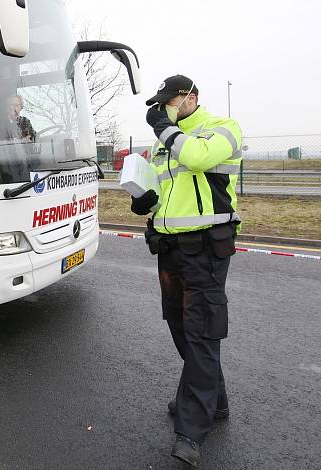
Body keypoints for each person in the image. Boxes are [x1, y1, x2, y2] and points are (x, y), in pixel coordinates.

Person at [131, 75, 242, 467]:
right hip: (171, 250)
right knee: (181, 327)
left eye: (170, 101)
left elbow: (195, 157)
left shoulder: (221, 129)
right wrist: (145, 200)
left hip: (206, 251)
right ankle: (217, 401)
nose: (164, 108)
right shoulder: (165, 143)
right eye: (160, 104)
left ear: (191, 96)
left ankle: (191, 431)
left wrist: (164, 128)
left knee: (200, 330)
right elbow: (165, 190)